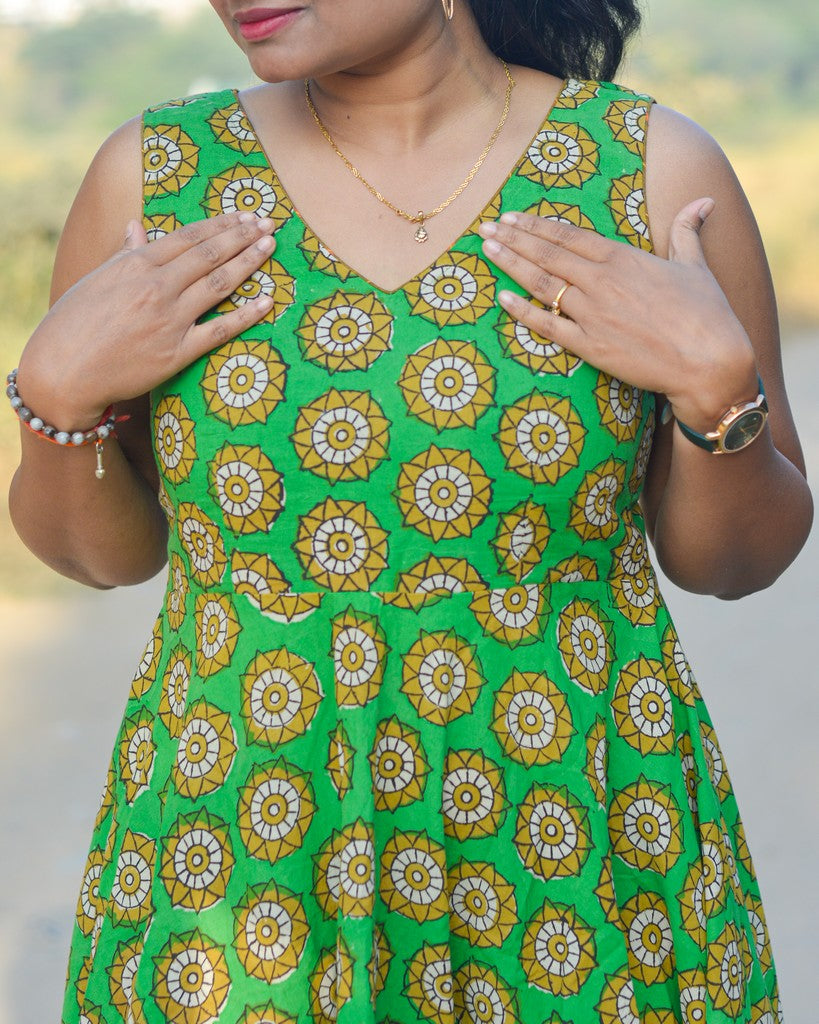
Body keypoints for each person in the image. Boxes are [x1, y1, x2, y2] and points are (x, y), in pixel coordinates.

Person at [7, 1, 813, 1022]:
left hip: (579, 845)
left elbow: (734, 562)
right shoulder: (154, 179)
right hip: (244, 867)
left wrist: (715, 393)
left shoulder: (651, 169)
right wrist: (55, 401)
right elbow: (104, 556)